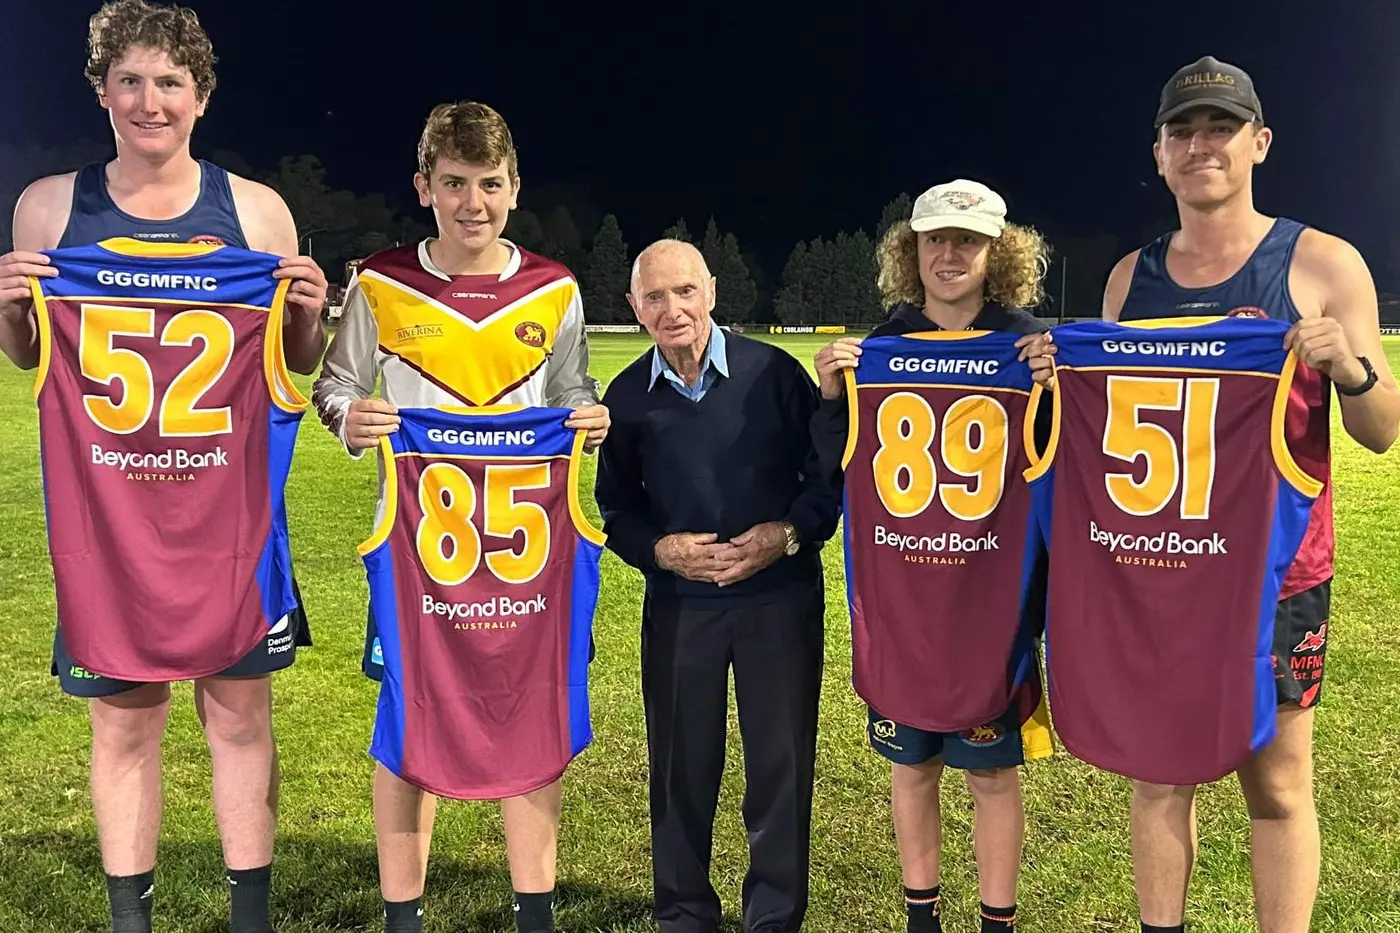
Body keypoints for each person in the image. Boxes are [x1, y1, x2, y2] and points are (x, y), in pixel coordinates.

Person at [1024, 56, 1399, 933]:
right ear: (1158, 154)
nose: (1202, 146)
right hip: (1158, 567)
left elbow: (1381, 428)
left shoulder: (1321, 261)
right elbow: (1103, 424)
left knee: (1275, 780)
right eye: (1182, 131)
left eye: (1220, 128)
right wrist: (1055, 377)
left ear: (1258, 143)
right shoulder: (1129, 280)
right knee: (1160, 771)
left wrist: (1346, 364)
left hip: (1277, 574)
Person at [0, 3, 327, 932]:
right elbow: (31, 357)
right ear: (103, 90)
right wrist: (11, 306)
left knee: (238, 720)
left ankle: (249, 916)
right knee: (125, 723)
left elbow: (291, 365)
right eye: (132, 81)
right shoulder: (50, 204)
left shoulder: (258, 212)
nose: (152, 101)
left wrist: (304, 310)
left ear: (202, 96)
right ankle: (128, 919)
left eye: (170, 82)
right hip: (108, 520)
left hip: (228, 518)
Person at [310, 99, 609, 933]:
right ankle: (402, 912)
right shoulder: (379, 282)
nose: (471, 202)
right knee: (406, 717)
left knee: (531, 711)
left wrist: (589, 415)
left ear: (515, 188)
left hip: (527, 548)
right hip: (416, 551)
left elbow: (572, 396)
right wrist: (349, 417)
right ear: (423, 186)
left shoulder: (553, 289)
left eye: (488, 183)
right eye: (453, 183)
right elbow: (332, 386)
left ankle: (535, 909)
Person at [811, 180, 1053, 933]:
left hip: (991, 609)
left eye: (968, 240)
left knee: (991, 776)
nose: (950, 254)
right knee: (910, 768)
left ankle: (996, 921)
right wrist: (829, 396)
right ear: (911, 251)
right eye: (934, 239)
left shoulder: (1029, 346)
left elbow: (1070, 472)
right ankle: (921, 916)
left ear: (997, 251)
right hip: (902, 609)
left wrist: (1059, 389)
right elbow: (828, 473)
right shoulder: (877, 351)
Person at [594, 239, 840, 933]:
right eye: (654, 297)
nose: (672, 310)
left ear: (711, 292)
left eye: (685, 292)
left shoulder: (774, 374)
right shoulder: (628, 398)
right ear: (634, 307)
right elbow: (615, 507)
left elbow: (826, 480)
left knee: (780, 767)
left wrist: (785, 535)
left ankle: (774, 917)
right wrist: (659, 551)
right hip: (681, 605)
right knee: (680, 770)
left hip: (779, 599)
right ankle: (684, 914)